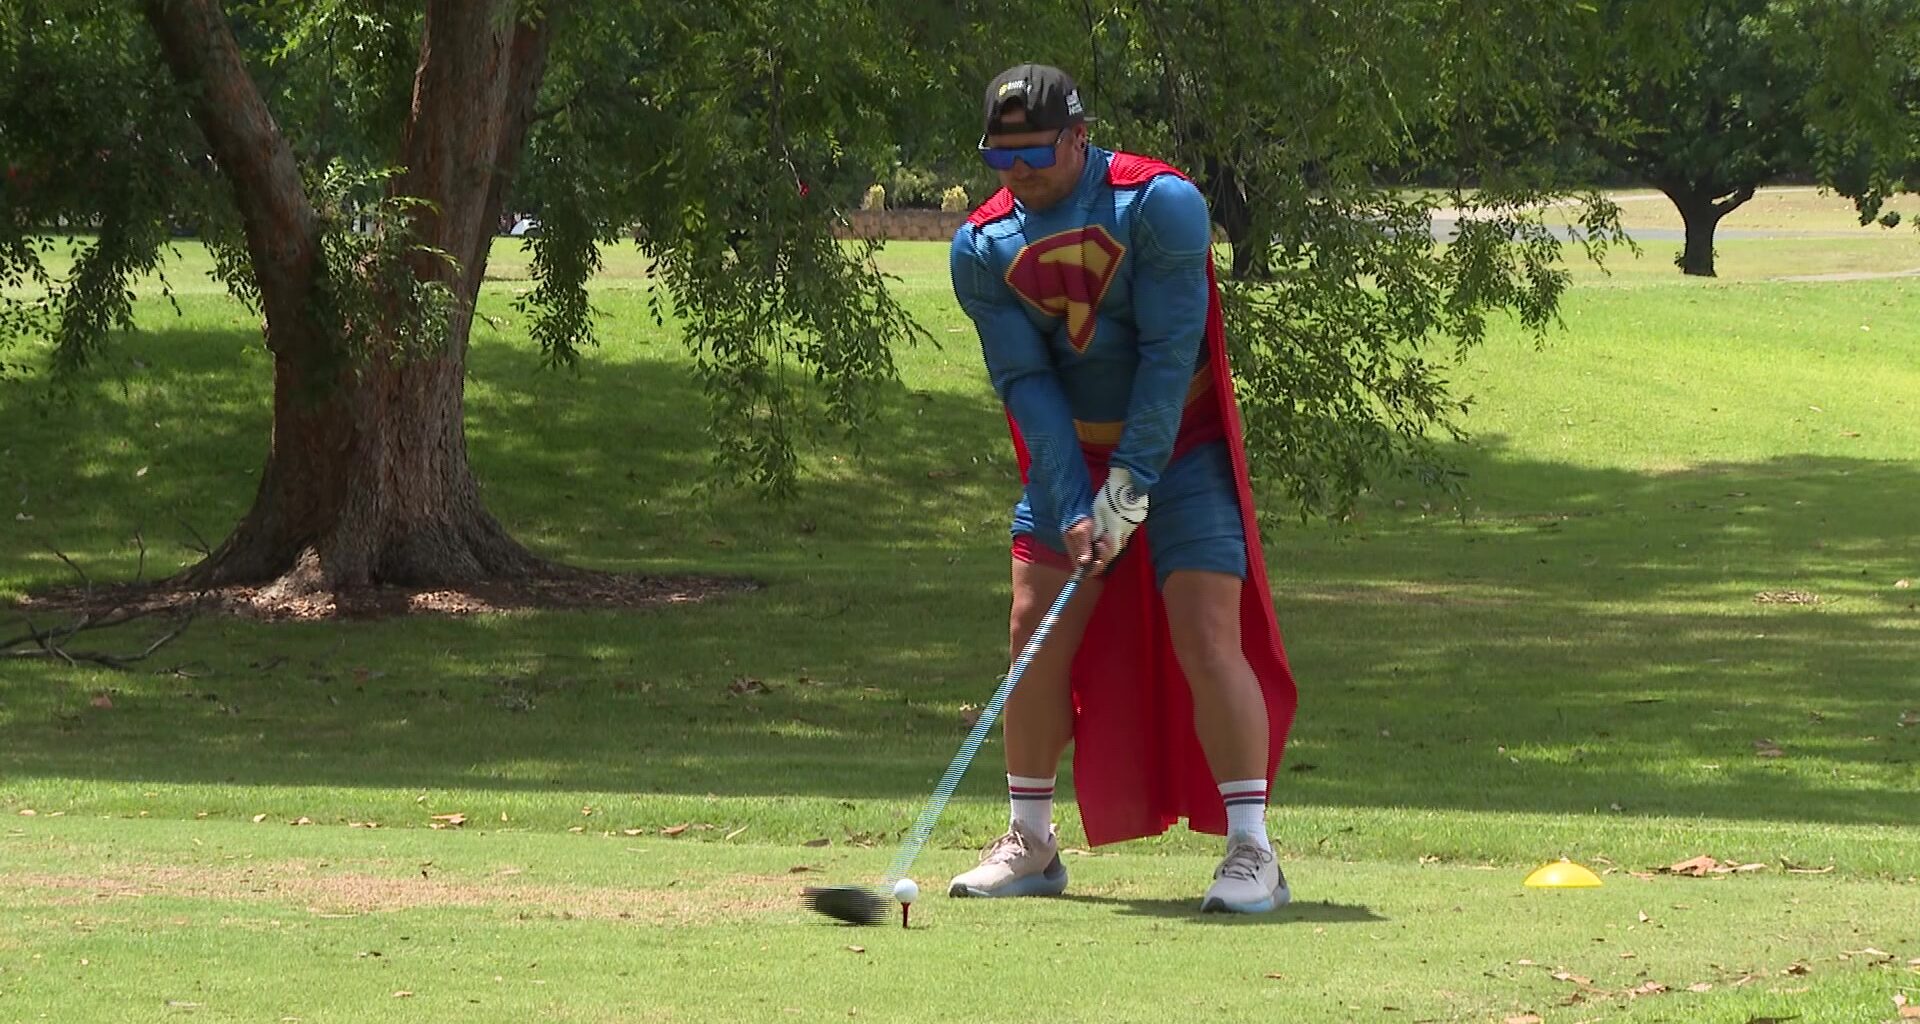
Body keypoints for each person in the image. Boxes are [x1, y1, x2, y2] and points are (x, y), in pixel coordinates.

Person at [946, 64, 1300, 913]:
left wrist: (1130, 491)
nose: (1018, 174)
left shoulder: (1161, 203)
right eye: (1001, 159)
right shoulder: (981, 248)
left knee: (1207, 629)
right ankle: (1030, 842)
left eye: (1034, 153)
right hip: (1073, 457)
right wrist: (1075, 505)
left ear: (1078, 135)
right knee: (1033, 622)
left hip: (1181, 446)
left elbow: (1169, 351)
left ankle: (1254, 853)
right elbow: (1025, 382)